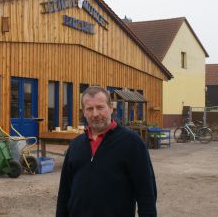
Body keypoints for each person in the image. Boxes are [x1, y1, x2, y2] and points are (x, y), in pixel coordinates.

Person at [56, 86, 157, 217]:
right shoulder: (76, 145)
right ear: (84, 112)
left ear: (110, 108)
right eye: (89, 109)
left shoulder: (132, 142)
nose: (95, 114)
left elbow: (146, 193)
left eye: (100, 107)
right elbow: (64, 192)